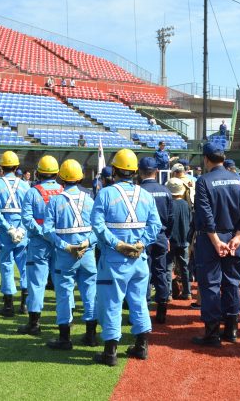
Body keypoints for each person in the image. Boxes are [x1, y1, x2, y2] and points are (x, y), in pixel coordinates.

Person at [90, 148, 160, 365]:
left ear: (115, 171)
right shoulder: (146, 195)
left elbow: (97, 225)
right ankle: (141, 346)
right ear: (134, 171)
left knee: (112, 302)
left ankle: (110, 353)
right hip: (139, 259)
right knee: (139, 302)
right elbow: (155, 225)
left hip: (114, 260)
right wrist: (141, 243)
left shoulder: (105, 193)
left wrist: (117, 244)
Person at [191, 143, 240, 347]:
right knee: (232, 283)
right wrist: (238, 237)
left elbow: (205, 213)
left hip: (211, 240)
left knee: (210, 284)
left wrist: (216, 240)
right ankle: (232, 330)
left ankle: (212, 333)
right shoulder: (239, 180)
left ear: (206, 159)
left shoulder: (203, 181)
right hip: (234, 238)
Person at [43, 159, 99, 349]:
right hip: (87, 253)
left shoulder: (55, 200)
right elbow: (98, 229)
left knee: (65, 294)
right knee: (90, 293)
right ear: (81, 177)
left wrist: (65, 246)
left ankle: (64, 339)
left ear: (61, 178)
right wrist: (87, 242)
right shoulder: (90, 199)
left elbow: (47, 230)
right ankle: (91, 336)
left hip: (65, 255)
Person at [17, 156, 64, 335]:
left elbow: (27, 219)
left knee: (36, 283)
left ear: (38, 172)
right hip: (59, 242)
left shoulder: (32, 192)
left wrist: (43, 232)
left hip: (38, 244)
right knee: (62, 282)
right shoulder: (63, 190)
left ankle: (34, 323)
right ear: (57, 173)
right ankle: (65, 321)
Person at [0, 151, 30, 317]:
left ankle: (8, 305)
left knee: (6, 266)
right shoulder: (25, 185)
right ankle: (25, 304)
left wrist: (8, 228)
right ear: (17, 166)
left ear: (1, 167)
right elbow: (28, 211)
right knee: (24, 266)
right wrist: (21, 229)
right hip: (22, 231)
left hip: (6, 232)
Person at [138, 157, 173, 324]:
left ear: (139, 172)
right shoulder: (165, 191)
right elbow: (170, 217)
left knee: (144, 273)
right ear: (157, 171)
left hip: (142, 237)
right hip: (160, 236)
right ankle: (162, 310)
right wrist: (167, 237)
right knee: (160, 272)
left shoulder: (137, 191)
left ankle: (143, 310)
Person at [166, 178, 192, 300]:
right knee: (184, 267)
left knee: (168, 266)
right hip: (184, 239)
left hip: (170, 240)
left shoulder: (168, 204)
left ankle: (169, 293)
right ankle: (187, 292)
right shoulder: (186, 204)